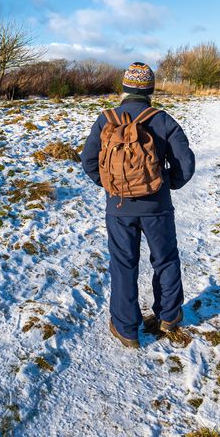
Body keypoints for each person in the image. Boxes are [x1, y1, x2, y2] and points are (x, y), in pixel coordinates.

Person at [79, 62, 196, 348]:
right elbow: (186, 164)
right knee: (165, 259)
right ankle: (168, 316)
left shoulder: (106, 119)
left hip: (119, 208)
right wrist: (166, 184)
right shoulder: (163, 120)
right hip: (157, 207)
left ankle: (126, 329)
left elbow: (88, 161)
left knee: (123, 265)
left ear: (125, 88)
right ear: (150, 90)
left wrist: (112, 186)